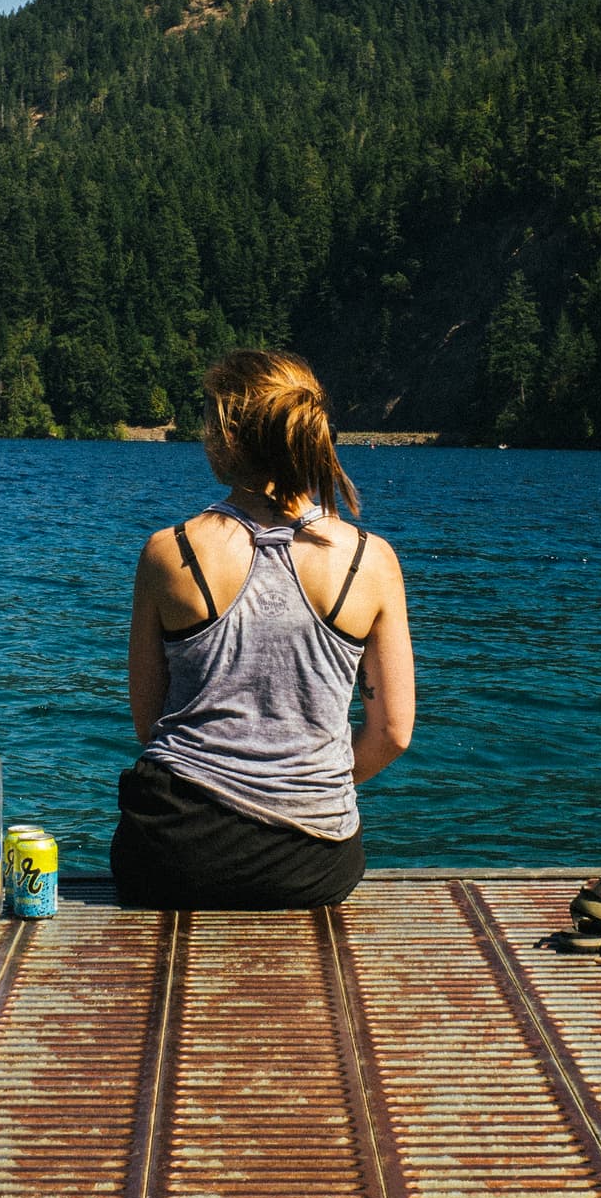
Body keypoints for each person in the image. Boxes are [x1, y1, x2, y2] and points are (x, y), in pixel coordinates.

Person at [111, 347, 415, 909]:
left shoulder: (168, 553)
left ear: (229, 434)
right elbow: (392, 733)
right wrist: (306, 785)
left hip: (174, 853)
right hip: (316, 861)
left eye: (209, 420)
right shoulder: (371, 560)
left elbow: (150, 724)